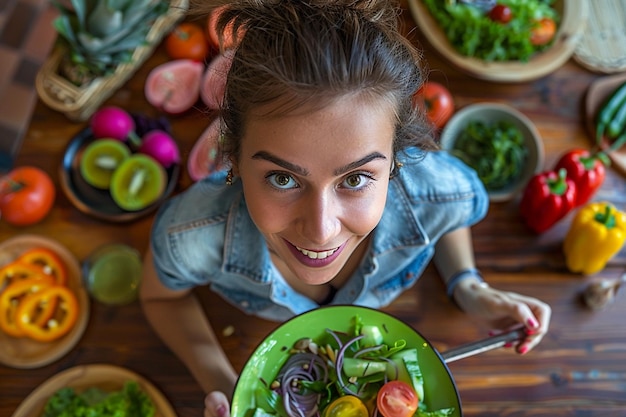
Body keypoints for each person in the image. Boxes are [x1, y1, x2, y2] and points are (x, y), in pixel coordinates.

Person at [139, 1, 552, 417]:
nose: (320, 231)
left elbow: (448, 217)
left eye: (355, 179)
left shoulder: (440, 191)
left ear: (395, 162)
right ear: (234, 159)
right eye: (282, 178)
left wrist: (468, 286)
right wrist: (226, 385)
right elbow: (161, 299)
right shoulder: (189, 236)